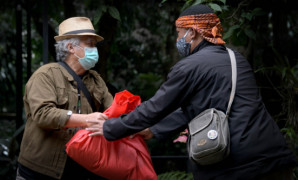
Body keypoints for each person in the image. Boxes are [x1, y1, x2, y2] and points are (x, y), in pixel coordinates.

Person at [87, 4, 298, 180]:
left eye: (179, 33)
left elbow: (155, 108)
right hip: (274, 158)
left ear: (193, 32)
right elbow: (204, 107)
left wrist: (111, 127)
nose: (178, 39)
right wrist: (155, 130)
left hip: (237, 166)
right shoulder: (236, 59)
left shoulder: (189, 66)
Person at [16, 17, 113, 180]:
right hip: (39, 171)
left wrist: (137, 124)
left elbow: (114, 110)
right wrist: (87, 119)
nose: (94, 49)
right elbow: (43, 114)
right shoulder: (46, 75)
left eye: (95, 45)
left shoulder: (96, 80)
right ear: (70, 47)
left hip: (79, 170)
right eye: (90, 44)